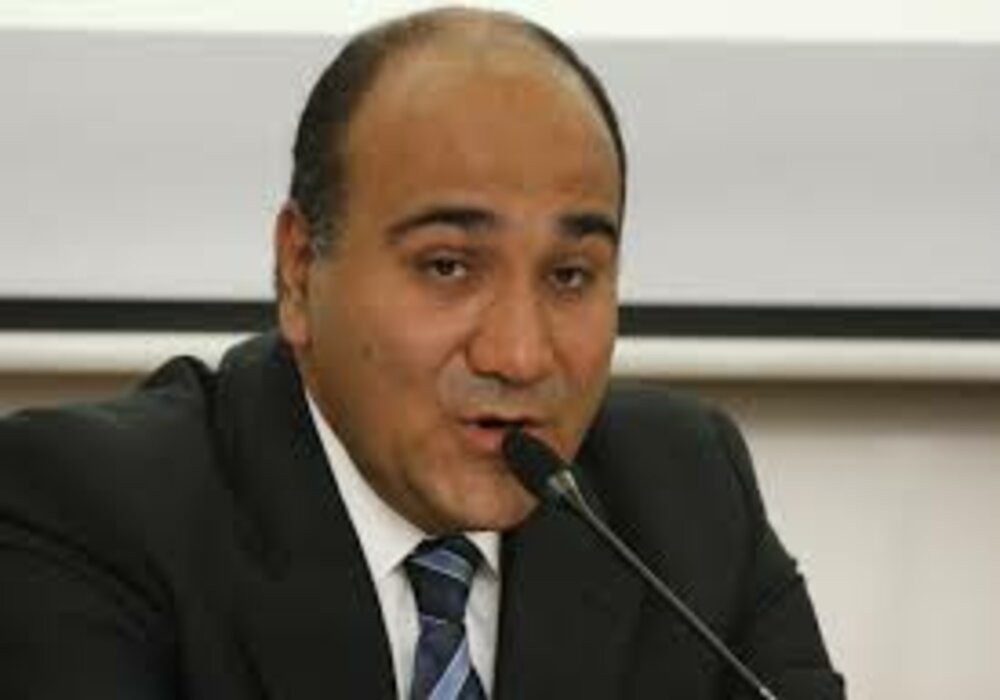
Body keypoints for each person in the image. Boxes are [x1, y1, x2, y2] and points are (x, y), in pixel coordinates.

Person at [0, 7, 844, 699]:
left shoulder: (685, 493)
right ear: (299, 271)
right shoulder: (89, 511)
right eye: (448, 267)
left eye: (570, 275)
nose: (519, 355)